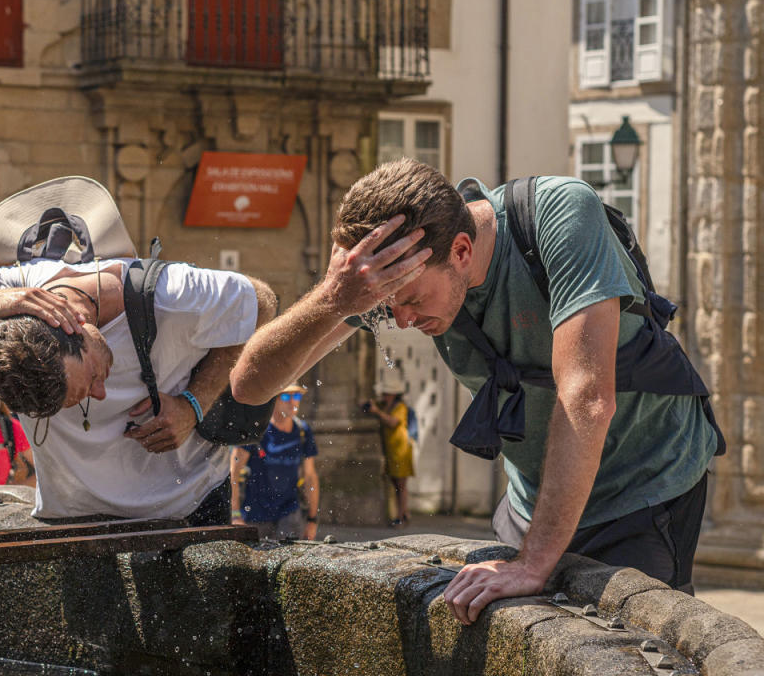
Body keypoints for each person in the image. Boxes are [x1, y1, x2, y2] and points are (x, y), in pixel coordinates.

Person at [230, 158, 721, 625]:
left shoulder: (559, 214)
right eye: (384, 304)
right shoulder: (402, 271)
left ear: (461, 251)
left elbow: (587, 397)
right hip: (535, 501)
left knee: (635, 653)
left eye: (411, 300)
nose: (399, 319)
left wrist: (532, 565)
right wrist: (335, 298)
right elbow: (249, 386)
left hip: (646, 484)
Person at [0, 176, 277, 525]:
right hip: (69, 523)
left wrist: (194, 403)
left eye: (93, 379)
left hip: (188, 510)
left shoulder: (171, 294)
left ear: (78, 325)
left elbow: (261, 302)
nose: (100, 394)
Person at [230, 384, 320, 540]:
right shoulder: (256, 430)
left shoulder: (303, 431)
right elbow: (233, 473)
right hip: (255, 515)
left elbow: (310, 476)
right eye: (286, 397)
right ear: (273, 400)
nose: (293, 402)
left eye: (297, 396)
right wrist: (235, 515)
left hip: (290, 513)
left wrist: (312, 519)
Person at [363, 377, 414, 527]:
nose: (384, 395)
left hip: (401, 450)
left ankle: (401, 516)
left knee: (401, 485)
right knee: (396, 485)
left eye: (387, 393)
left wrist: (377, 411)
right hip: (391, 451)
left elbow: (393, 422)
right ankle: (403, 513)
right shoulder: (386, 405)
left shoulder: (400, 407)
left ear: (393, 394)